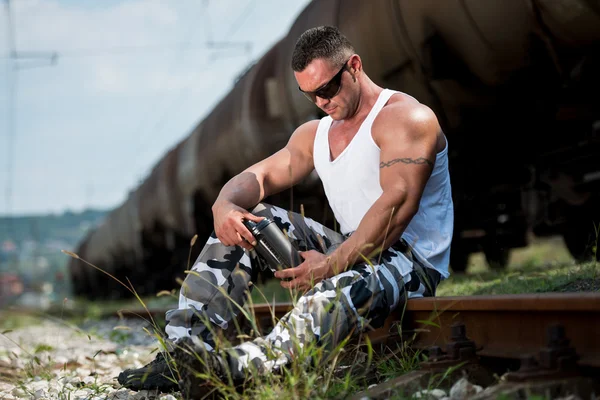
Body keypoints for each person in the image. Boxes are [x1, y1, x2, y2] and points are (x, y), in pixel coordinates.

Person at [118, 25, 453, 398]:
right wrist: (224, 205)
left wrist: (328, 266)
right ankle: (182, 352)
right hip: (352, 247)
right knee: (251, 217)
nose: (322, 102)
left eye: (327, 89)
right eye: (310, 95)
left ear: (354, 66)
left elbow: (397, 206)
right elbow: (258, 176)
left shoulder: (405, 118)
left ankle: (237, 369)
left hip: (409, 260)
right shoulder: (317, 133)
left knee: (330, 294)